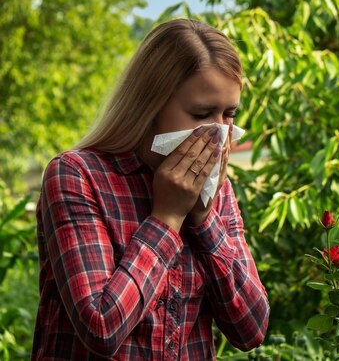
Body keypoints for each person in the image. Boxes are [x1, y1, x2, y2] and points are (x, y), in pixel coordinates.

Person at [32, 19, 270, 360]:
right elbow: (101, 327)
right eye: (202, 113)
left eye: (229, 114)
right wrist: (168, 216)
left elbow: (252, 328)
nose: (219, 133)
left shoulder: (217, 191)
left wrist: (203, 218)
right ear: (150, 106)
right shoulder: (78, 175)